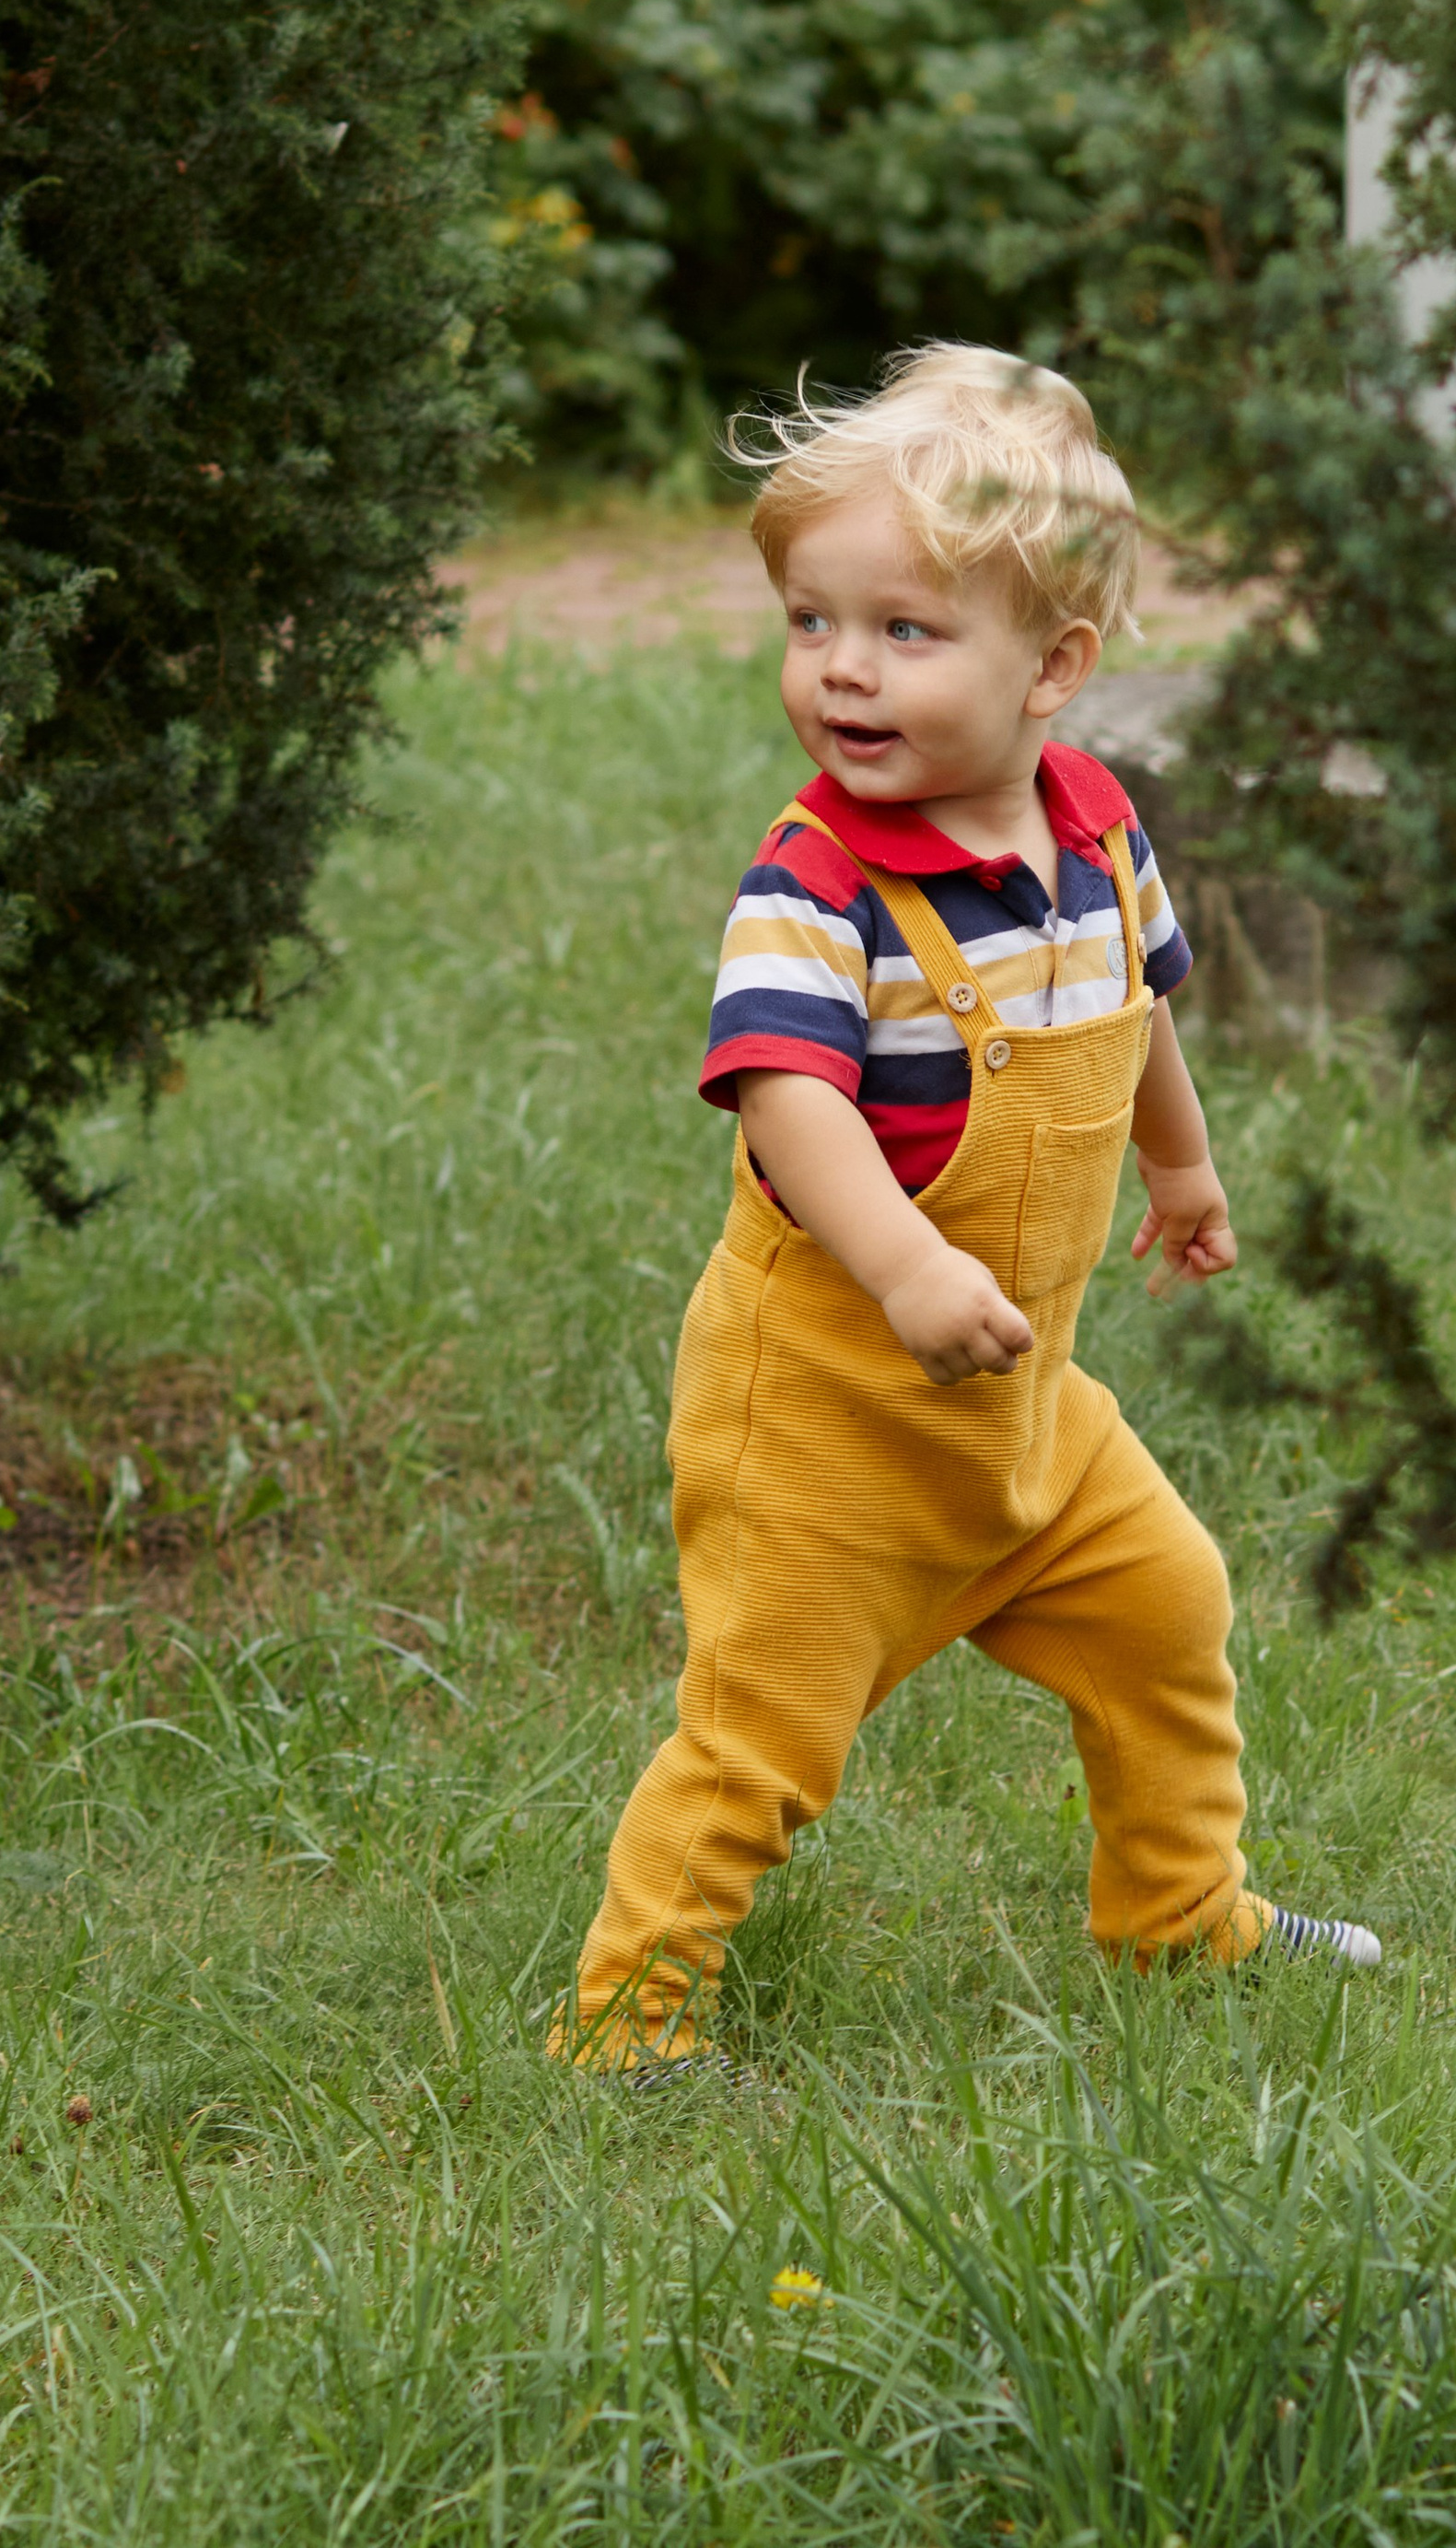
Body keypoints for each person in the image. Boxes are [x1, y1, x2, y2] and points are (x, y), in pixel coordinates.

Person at [562, 345, 1380, 2074]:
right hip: (830, 1422)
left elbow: (1137, 1005)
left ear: (1054, 668)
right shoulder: (816, 885)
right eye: (811, 622)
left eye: (904, 631)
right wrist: (907, 1263)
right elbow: (789, 1101)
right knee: (766, 1737)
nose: (842, 669)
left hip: (1025, 1417)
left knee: (1168, 1615)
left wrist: (1180, 1164)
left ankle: (1181, 1911)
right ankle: (629, 2026)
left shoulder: (1098, 830)